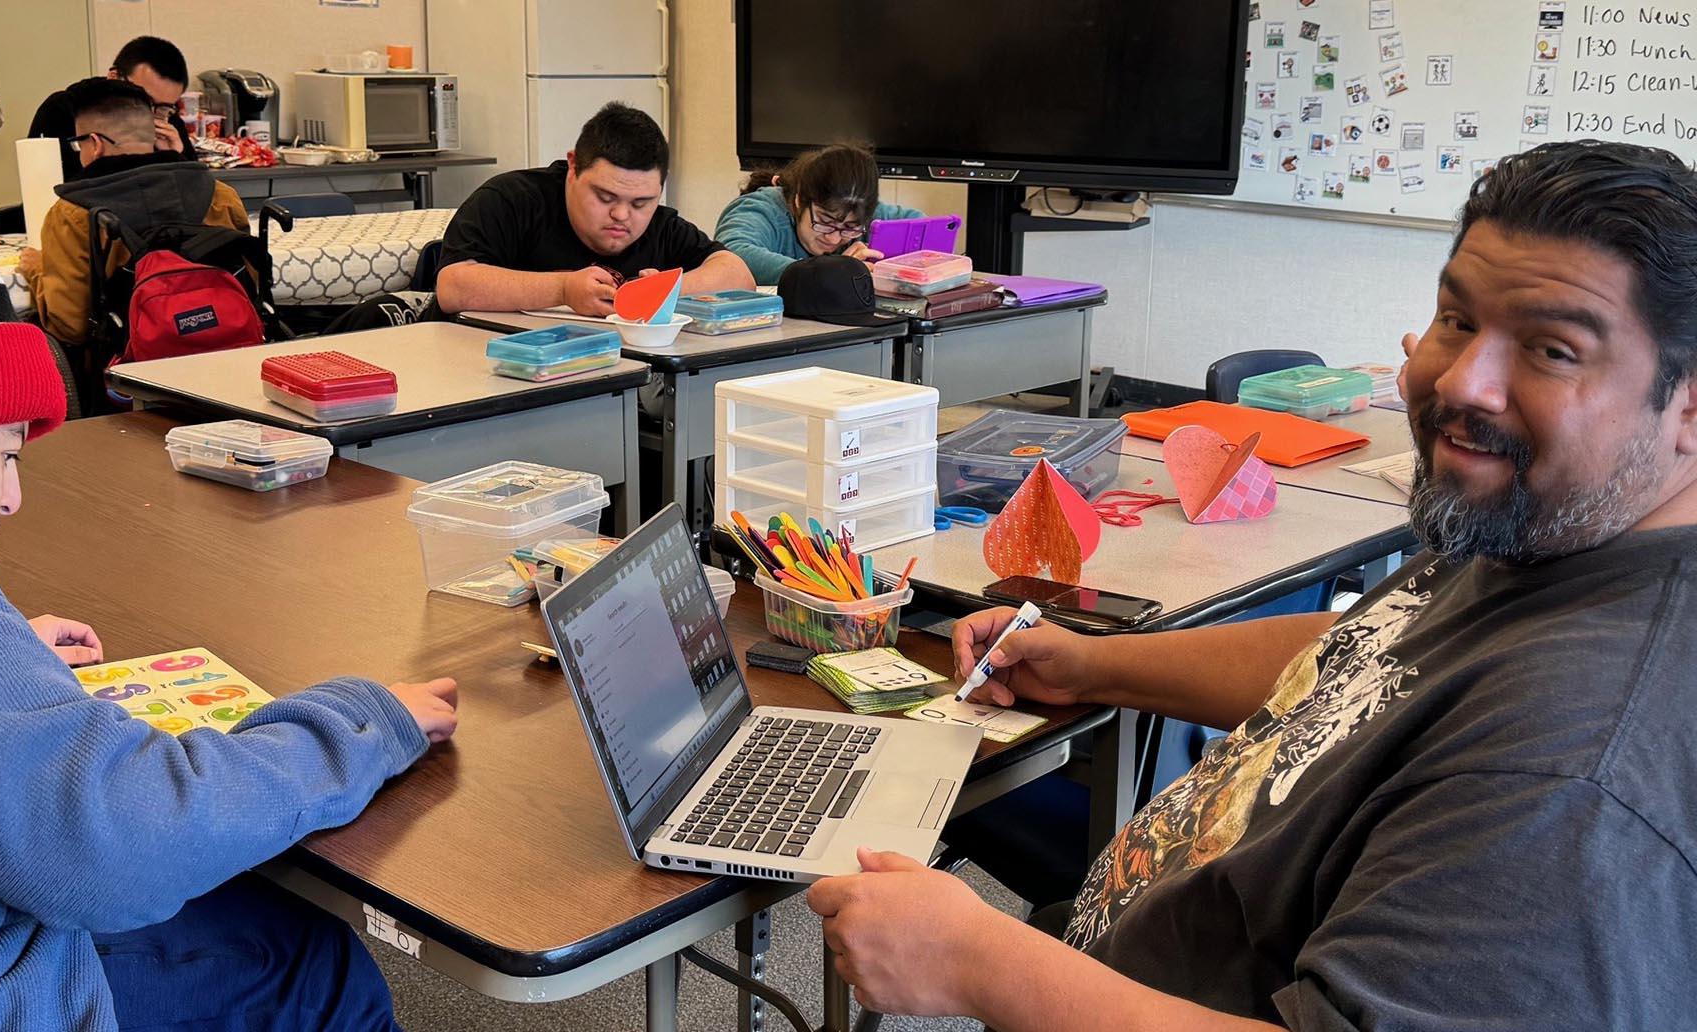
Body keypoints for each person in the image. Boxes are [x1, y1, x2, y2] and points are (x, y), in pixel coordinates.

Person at [808, 140, 1697, 1030]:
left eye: (1552, 350)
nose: (1463, 382)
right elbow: (1371, 659)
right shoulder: (1548, 527)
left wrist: (979, 965)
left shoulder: (1575, 773)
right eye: (1457, 321)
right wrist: (1094, 665)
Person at [0, 192, 459, 1029]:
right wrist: (365, 722)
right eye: (5, 452)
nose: (11, 497)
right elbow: (130, 842)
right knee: (310, 962)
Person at [435, 101, 753, 318]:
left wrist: (669, 291)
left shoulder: (661, 226)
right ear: (573, 167)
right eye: (605, 197)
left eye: (641, 203)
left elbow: (738, 275)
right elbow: (453, 286)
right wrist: (562, 290)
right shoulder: (511, 200)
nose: (622, 215)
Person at [19, 76, 245, 351]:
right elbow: (248, 280)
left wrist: (37, 269)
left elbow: (70, 326)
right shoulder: (219, 194)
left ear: (95, 143)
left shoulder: (74, 214)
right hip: (226, 351)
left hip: (125, 370)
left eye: (80, 144)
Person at [713, 143, 923, 285]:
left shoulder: (859, 213)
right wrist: (834, 272)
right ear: (799, 200)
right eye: (824, 221)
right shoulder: (764, 209)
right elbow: (730, 254)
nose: (833, 239)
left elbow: (924, 226)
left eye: (849, 229)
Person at [29, 35, 196, 182]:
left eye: (164, 107)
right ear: (114, 77)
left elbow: (195, 192)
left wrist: (175, 158)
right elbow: (43, 187)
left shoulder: (166, 118)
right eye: (145, 100)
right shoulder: (63, 110)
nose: (151, 114)